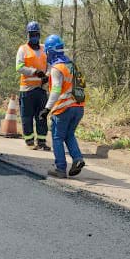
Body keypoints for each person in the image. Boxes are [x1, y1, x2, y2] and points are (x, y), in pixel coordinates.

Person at [38, 35, 86, 179]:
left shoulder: (56, 68)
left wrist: (46, 109)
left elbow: (56, 90)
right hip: (79, 107)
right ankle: (77, 159)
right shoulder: (72, 65)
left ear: (50, 52)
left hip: (64, 109)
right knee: (69, 134)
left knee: (57, 137)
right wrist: (48, 76)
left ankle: (60, 169)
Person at [16, 21, 49, 150]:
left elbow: (50, 65)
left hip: (41, 89)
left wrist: (47, 75)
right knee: (27, 117)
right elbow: (19, 67)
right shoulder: (22, 49)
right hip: (27, 89)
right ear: (28, 35)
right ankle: (29, 142)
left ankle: (41, 141)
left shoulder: (44, 48)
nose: (34, 36)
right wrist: (34, 72)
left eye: (36, 34)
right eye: (31, 34)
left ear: (39, 34)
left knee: (41, 116)